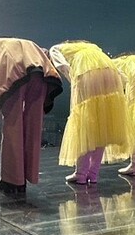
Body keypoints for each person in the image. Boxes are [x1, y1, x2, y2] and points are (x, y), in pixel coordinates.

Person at [0, 37, 63, 198]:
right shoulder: (13, 44)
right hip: (41, 73)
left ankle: (12, 180)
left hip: (15, 73)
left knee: (12, 126)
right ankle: (27, 177)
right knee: (33, 126)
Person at [49, 40, 129, 186]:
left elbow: (62, 65)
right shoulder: (94, 48)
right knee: (102, 123)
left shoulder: (58, 48)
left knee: (85, 123)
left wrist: (73, 78)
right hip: (109, 72)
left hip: (86, 72)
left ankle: (80, 174)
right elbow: (114, 68)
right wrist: (121, 81)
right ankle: (93, 173)